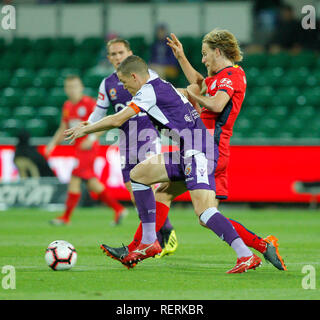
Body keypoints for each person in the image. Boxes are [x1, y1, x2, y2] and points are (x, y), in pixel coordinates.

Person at [65, 55, 263, 274]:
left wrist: (85, 129)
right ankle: (149, 241)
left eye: (125, 82)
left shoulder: (148, 91)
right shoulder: (159, 83)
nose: (123, 87)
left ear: (134, 76)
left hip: (198, 152)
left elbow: (117, 119)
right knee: (139, 174)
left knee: (205, 213)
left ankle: (245, 255)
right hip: (189, 150)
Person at [165, 29, 287, 271]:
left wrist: (192, 96)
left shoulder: (231, 76)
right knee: (208, 216)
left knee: (170, 192)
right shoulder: (221, 76)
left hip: (210, 150)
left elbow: (217, 103)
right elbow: (200, 83)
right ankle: (262, 246)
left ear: (217, 51)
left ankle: (149, 243)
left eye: (205, 54)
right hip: (211, 148)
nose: (203, 59)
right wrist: (181, 57)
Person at [86, 38, 178, 257]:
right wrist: (88, 127)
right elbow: (98, 114)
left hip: (148, 138)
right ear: (109, 58)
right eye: (113, 54)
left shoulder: (148, 76)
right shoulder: (107, 84)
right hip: (126, 144)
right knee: (136, 197)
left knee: (152, 189)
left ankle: (162, 236)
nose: (118, 57)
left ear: (129, 52)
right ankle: (159, 233)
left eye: (121, 53)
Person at [45, 75, 126, 225]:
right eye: (69, 87)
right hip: (78, 149)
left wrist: (91, 138)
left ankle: (66, 217)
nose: (72, 90)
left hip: (88, 148)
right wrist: (52, 144)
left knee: (75, 178)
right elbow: (63, 127)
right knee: (91, 183)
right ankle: (118, 209)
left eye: (75, 86)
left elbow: (105, 122)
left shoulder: (89, 103)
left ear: (81, 87)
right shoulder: (67, 106)